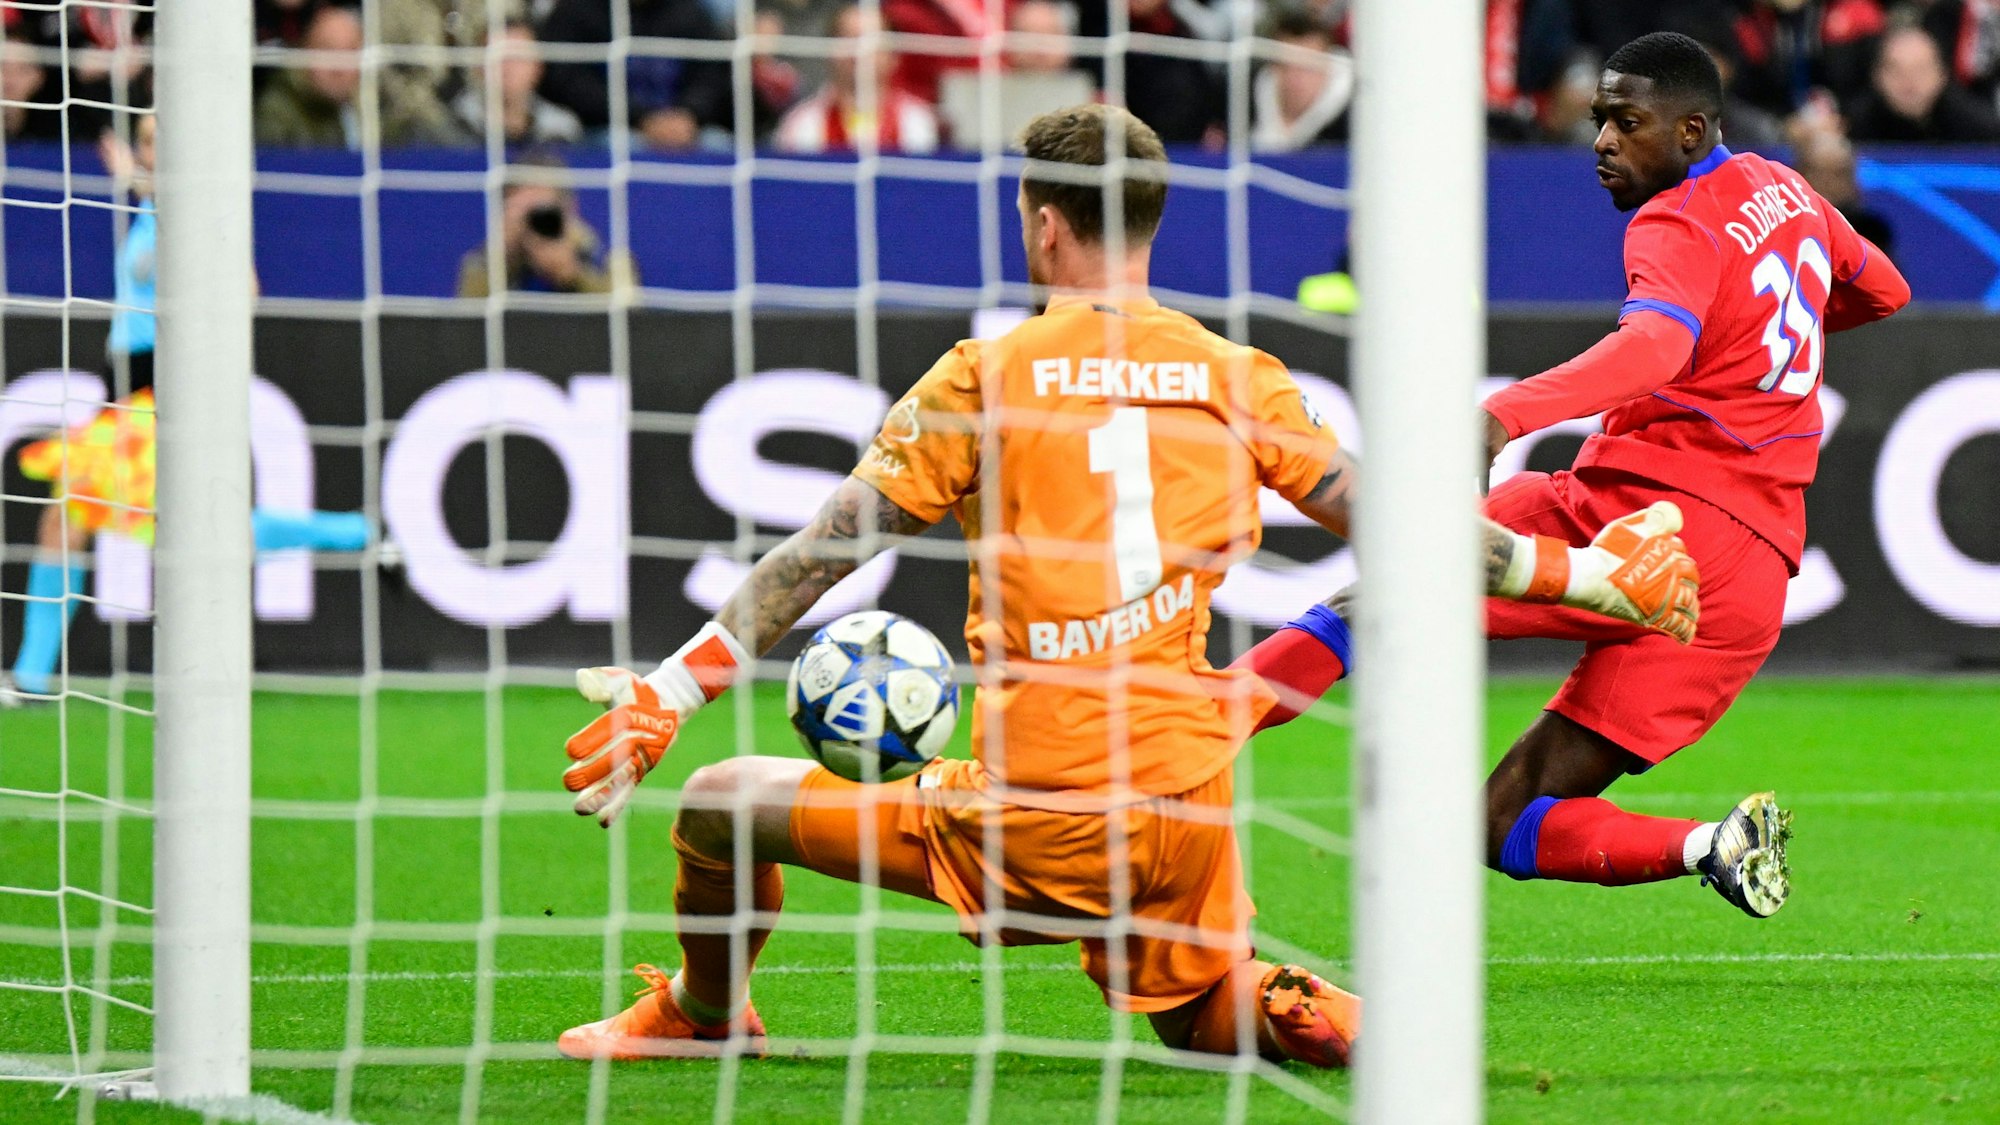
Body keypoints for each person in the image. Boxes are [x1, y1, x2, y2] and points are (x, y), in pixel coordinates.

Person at [547, 104, 1701, 1063]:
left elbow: (823, 550)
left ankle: (703, 1017)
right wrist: (1586, 575)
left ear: (1043, 227)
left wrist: (675, 688)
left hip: (1035, 812)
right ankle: (1389, 1043)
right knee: (1203, 1014)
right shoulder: (1233, 373)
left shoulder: (983, 377)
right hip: (1186, 799)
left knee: (718, 801)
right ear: (1148, 224)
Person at [1250, 32, 1910, 920]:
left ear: (1689, 132)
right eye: (1601, 119)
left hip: (1646, 518)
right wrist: (1755, 350)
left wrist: (1501, 413)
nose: (1601, 140)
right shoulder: (1786, 188)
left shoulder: (1676, 218)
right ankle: (1713, 845)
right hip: (1746, 585)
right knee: (1502, 820)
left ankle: (1189, 728)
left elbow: (1655, 345)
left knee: (1387, 594)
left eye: (1627, 121)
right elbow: (1886, 291)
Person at [3, 118, 385, 704]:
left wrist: (146, 187)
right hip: (124, 388)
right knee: (89, 517)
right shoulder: (150, 214)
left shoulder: (203, 210)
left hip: (167, 386)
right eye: (148, 140)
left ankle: (358, 532)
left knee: (169, 523)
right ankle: (360, 531)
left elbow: (247, 290)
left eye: (162, 139)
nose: (153, 150)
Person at [254, 5, 462, 147]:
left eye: (350, 51)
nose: (338, 66)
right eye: (326, 49)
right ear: (304, 52)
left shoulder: (384, 110)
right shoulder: (277, 114)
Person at [537, 0, 732, 150]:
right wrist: (640, 118)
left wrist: (689, 114)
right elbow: (567, 80)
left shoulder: (690, 12)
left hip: (685, 126)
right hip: (606, 128)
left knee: (718, 143)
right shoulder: (576, 11)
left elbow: (711, 75)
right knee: (615, 144)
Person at [457, 155, 637, 295]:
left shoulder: (607, 257)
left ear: (568, 208)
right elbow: (467, 322)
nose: (533, 220)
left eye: (542, 209)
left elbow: (628, 319)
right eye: (524, 210)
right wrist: (504, 261)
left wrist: (575, 276)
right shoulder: (484, 262)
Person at [773, 4, 940, 153]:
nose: (858, 50)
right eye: (847, 37)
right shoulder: (802, 125)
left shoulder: (918, 122)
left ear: (894, 56)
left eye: (870, 39)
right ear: (829, 50)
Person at [1846, 23, 2000, 142]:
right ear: (1877, 76)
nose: (1908, 81)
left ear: (1942, 75)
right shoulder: (1851, 129)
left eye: (1920, 70)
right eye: (1895, 70)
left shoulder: (1979, 130)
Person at [449, 21, 585, 147]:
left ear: (538, 67)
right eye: (498, 57)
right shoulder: (449, 125)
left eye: (517, 57)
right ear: (478, 67)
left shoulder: (561, 130)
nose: (507, 68)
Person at [1250, 10, 1352, 152]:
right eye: (1286, 66)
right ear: (1273, 67)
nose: (1296, 78)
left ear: (1328, 68)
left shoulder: (1353, 128)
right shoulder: (1242, 105)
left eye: (1307, 68)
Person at [1793, 127, 1894, 256]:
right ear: (1797, 174)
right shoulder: (1781, 229)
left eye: (1838, 174)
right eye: (1817, 173)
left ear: (1853, 181)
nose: (1828, 184)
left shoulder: (1873, 235)